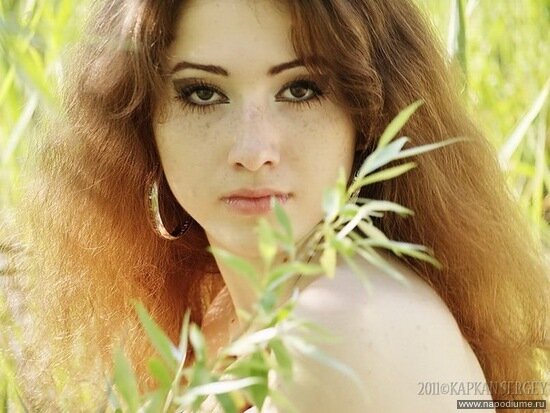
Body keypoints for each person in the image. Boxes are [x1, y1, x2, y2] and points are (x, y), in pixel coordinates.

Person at [16, 0, 548, 411]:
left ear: (370, 113)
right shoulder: (228, 313)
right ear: (138, 123)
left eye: (299, 89)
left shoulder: (347, 327)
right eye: (203, 93)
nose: (253, 151)